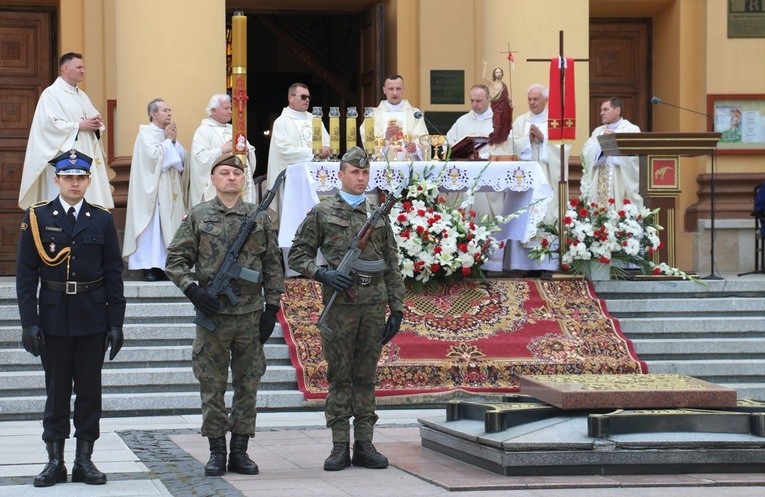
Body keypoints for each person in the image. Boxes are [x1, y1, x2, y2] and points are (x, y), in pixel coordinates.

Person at [166, 153, 285, 477]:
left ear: (243, 179)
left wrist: (271, 307)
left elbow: (274, 264)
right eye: (224, 173)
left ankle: (240, 451)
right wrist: (193, 290)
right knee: (212, 386)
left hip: (249, 314)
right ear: (213, 179)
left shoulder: (260, 217)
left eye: (236, 173)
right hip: (214, 317)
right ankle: (217, 451)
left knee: (248, 385)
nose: (231, 177)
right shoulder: (199, 215)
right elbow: (175, 260)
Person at [289, 147, 406, 472]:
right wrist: (322, 272)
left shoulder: (378, 216)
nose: (361, 178)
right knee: (340, 377)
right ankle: (340, 444)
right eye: (355, 172)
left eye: (365, 173)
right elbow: (298, 256)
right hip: (340, 308)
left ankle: (364, 443)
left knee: (366, 376)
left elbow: (392, 264)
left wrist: (396, 308)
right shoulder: (322, 213)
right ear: (340, 175)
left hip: (372, 308)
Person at [16, 149, 125, 487]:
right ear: (57, 180)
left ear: (89, 181)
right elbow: (25, 276)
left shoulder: (102, 218)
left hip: (92, 316)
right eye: (68, 177)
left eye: (80, 178)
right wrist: (29, 322)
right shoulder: (37, 217)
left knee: (90, 391)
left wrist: (116, 322)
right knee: (57, 390)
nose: (74, 182)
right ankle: (54, 462)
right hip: (53, 316)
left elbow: (113, 274)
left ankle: (84, 460)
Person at [19, 52, 114, 211]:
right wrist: (78, 126)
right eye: (78, 67)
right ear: (65, 68)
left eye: (83, 67)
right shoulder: (51, 94)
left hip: (85, 155)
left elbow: (91, 120)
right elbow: (48, 126)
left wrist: (96, 124)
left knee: (88, 204)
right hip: (64, 158)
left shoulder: (82, 96)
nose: (82, 71)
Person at [122, 98, 187, 281]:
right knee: (152, 229)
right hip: (152, 193)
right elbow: (153, 159)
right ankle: (148, 267)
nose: (169, 113)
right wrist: (168, 142)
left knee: (165, 229)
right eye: (165, 110)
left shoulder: (166, 135)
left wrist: (172, 143)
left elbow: (182, 160)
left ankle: (164, 266)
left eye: (170, 110)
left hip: (168, 192)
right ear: (153, 114)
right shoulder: (146, 134)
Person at [266, 83, 330, 228]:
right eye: (303, 96)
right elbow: (284, 151)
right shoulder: (281, 122)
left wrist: (326, 149)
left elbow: (327, 142)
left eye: (308, 97)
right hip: (293, 181)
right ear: (291, 98)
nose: (306, 100)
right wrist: (314, 151)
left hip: (318, 179)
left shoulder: (315, 119)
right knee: (296, 223)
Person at [511, 84, 571, 224]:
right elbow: (512, 145)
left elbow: (565, 146)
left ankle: (549, 239)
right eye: (530, 99)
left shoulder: (556, 120)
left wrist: (544, 139)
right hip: (527, 175)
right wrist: (528, 140)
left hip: (548, 174)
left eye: (536, 99)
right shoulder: (521, 121)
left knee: (549, 210)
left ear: (546, 100)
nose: (532, 102)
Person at [188, 94, 257, 207]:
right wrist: (222, 150)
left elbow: (250, 152)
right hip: (219, 187)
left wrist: (247, 153)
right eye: (226, 108)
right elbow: (199, 158)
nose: (230, 112)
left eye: (230, 108)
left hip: (239, 182)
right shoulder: (204, 130)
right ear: (213, 110)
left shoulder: (234, 129)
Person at [581, 97, 642, 208]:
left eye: (605, 109)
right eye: (601, 110)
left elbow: (635, 158)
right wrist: (601, 143)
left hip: (619, 183)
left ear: (617, 110)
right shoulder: (598, 131)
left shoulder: (631, 130)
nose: (601, 113)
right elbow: (586, 153)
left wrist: (614, 149)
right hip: (599, 183)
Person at [360, 75, 429, 161]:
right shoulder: (373, 115)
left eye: (398, 89)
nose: (395, 93)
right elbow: (368, 142)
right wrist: (386, 137)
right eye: (391, 89)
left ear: (404, 89)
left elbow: (423, 139)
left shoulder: (415, 114)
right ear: (384, 90)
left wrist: (416, 149)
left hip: (409, 167)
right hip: (383, 168)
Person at [446, 84, 494, 160]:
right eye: (472, 100)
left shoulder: (499, 122)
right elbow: (448, 143)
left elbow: (505, 149)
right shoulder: (462, 121)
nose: (474, 104)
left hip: (490, 166)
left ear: (488, 99)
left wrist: (482, 156)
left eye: (478, 101)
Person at [482, 60, 514, 155]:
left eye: (500, 72)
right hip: (497, 107)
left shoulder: (504, 85)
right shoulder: (492, 84)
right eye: (497, 72)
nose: (498, 74)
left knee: (505, 125)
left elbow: (506, 96)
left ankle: (504, 143)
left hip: (505, 107)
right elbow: (483, 78)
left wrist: (511, 101)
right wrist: (485, 66)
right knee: (497, 124)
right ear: (494, 74)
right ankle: (495, 143)